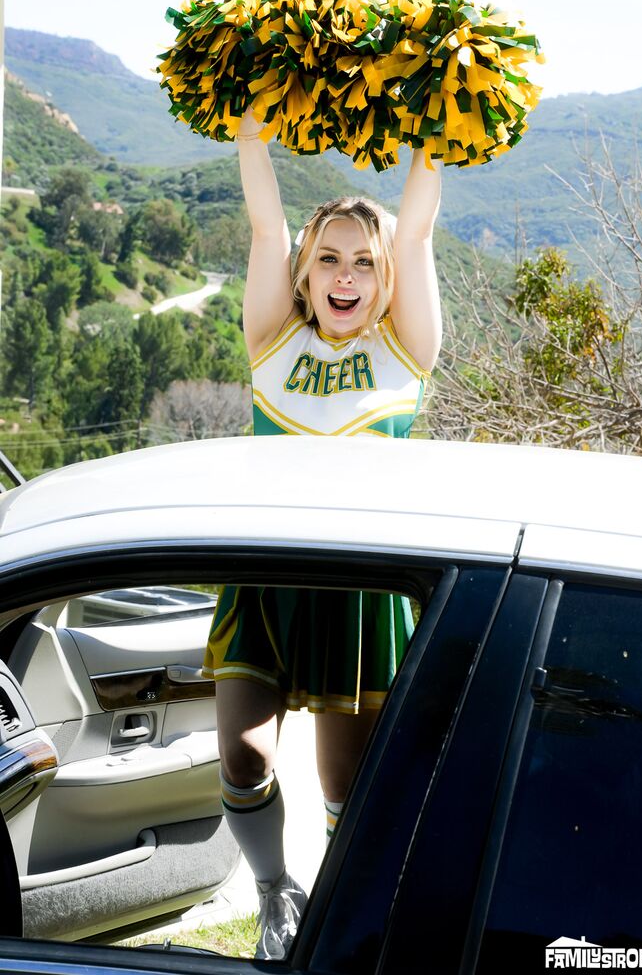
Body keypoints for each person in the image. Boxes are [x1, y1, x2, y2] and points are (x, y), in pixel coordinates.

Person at [202, 110, 442, 960]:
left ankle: (343, 927)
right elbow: (266, 226)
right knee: (242, 758)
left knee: (347, 788)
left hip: (362, 594)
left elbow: (417, 232)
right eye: (329, 259)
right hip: (266, 578)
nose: (346, 275)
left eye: (364, 262)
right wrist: (250, 138)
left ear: (385, 279)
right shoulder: (271, 343)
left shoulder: (405, 353)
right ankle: (275, 893)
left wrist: (436, 139)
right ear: (304, 273)